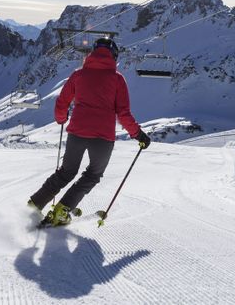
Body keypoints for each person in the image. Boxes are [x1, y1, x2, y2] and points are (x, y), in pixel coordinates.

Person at [28, 37, 151, 227]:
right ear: (114, 55)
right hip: (103, 138)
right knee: (92, 175)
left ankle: (35, 204)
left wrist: (61, 118)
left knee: (66, 173)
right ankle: (62, 210)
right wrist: (138, 135)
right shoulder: (117, 79)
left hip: (77, 133)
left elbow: (62, 102)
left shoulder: (79, 75)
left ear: (92, 53)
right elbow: (123, 113)